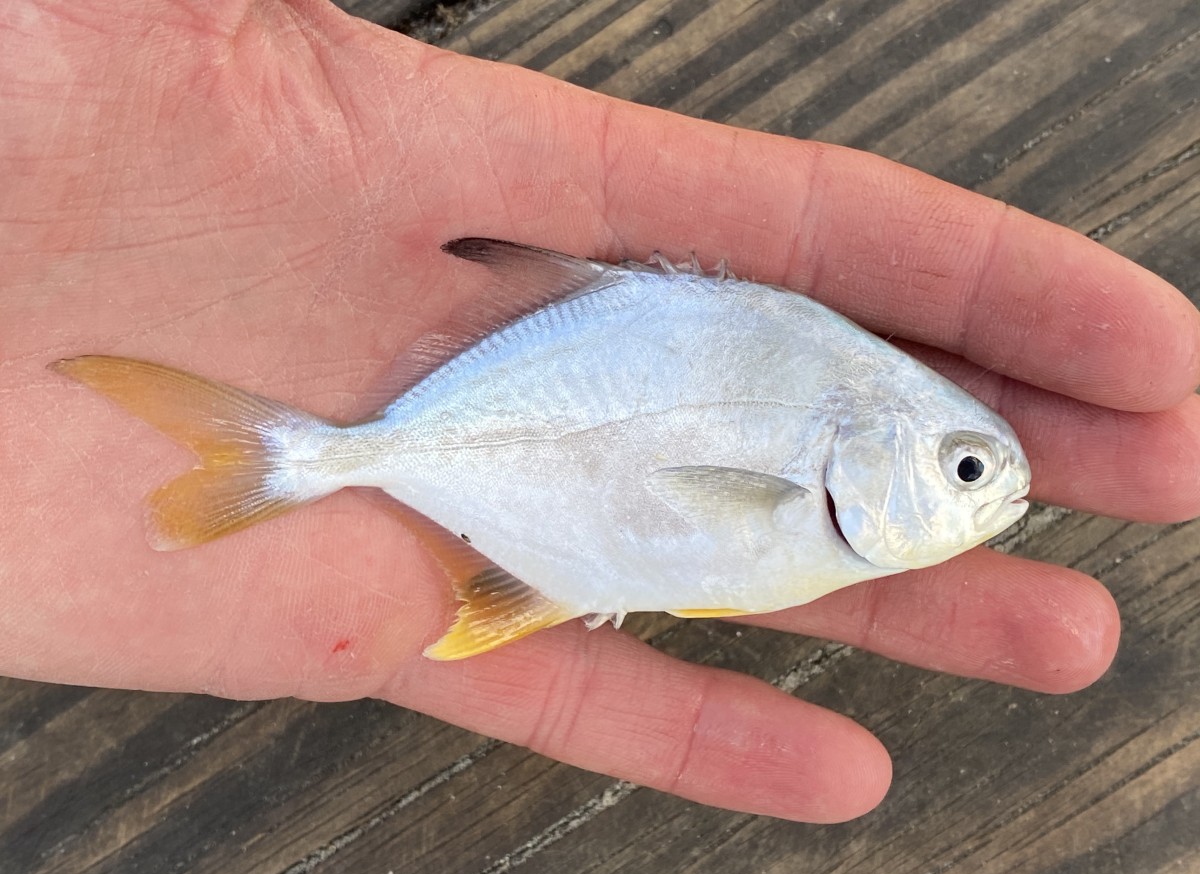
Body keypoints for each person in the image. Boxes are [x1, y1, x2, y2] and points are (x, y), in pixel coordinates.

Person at [3, 0, 1198, 824]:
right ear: (872, 443)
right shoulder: (827, 396)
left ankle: (310, 468)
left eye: (973, 471)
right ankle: (300, 463)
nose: (990, 494)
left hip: (546, 514)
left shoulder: (834, 402)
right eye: (967, 469)